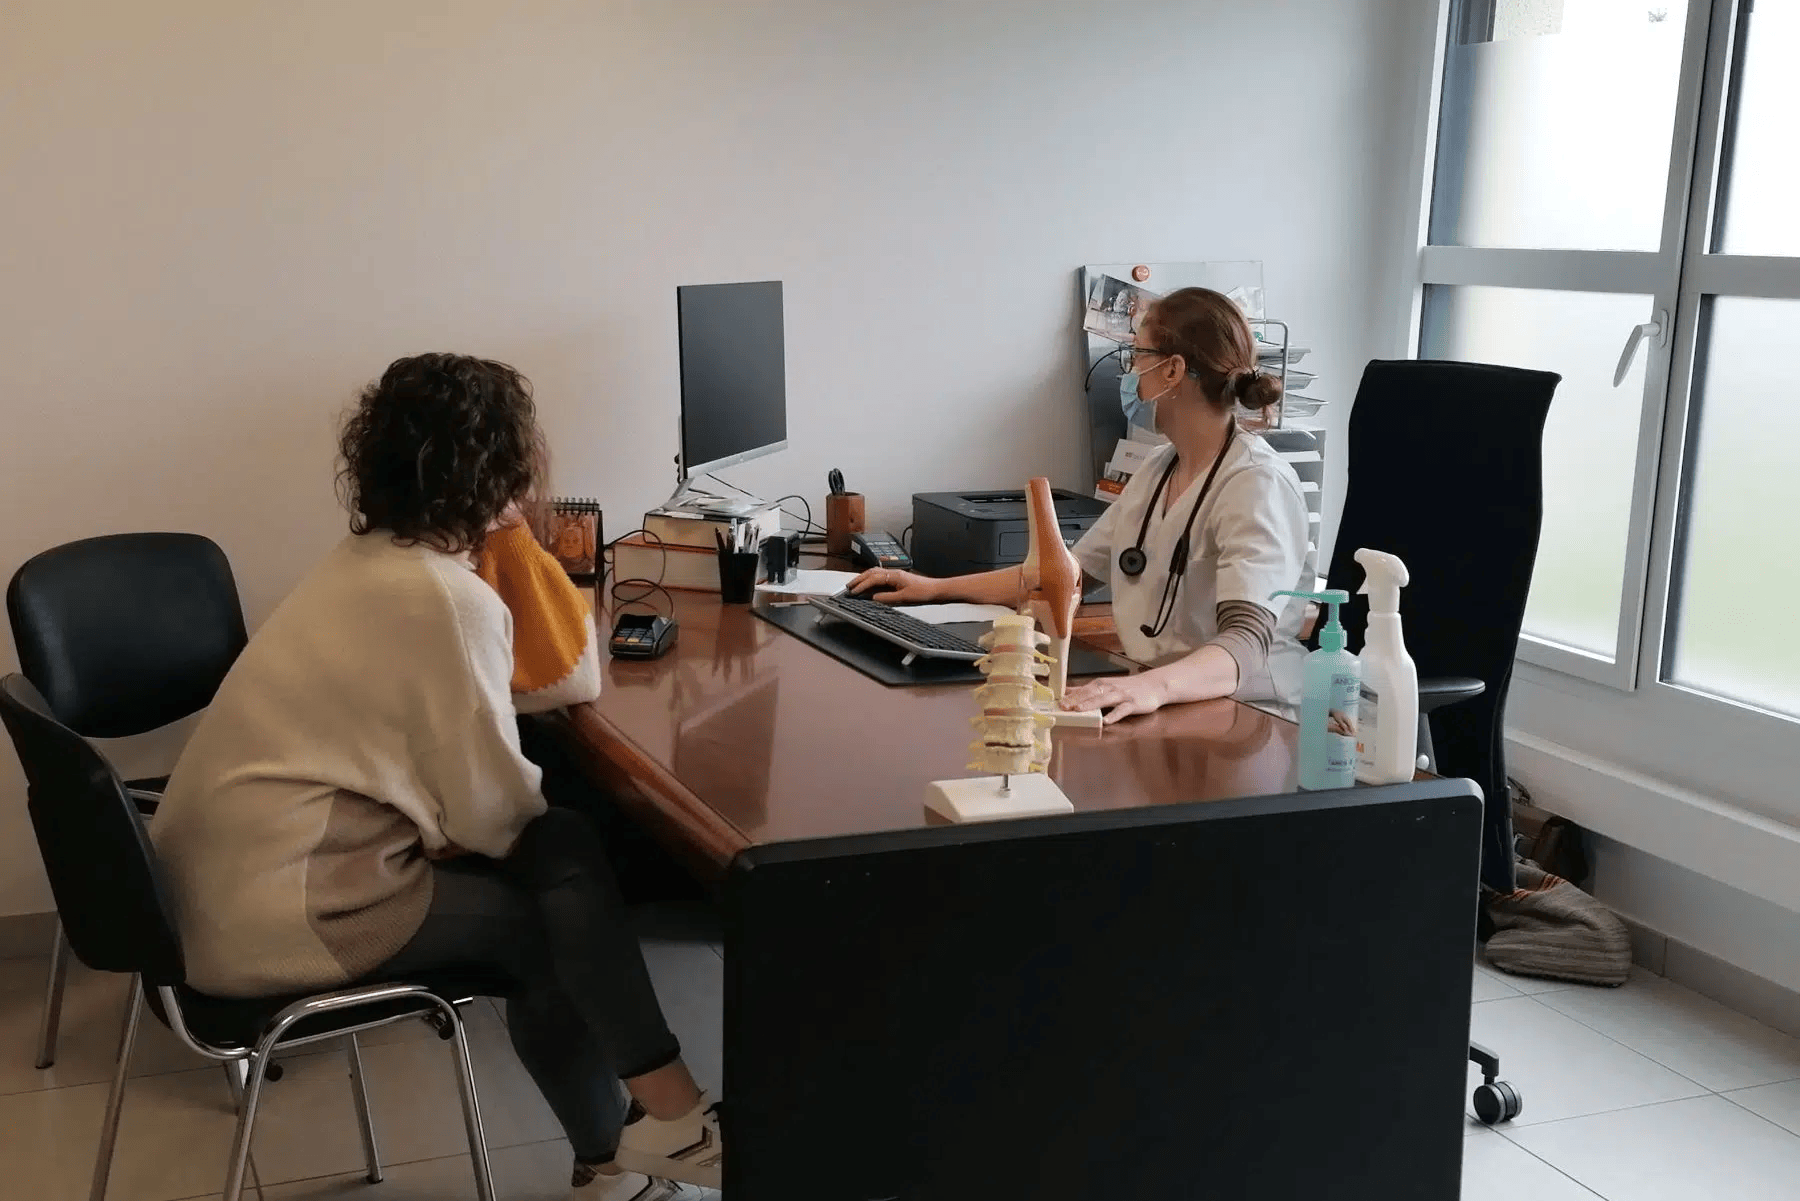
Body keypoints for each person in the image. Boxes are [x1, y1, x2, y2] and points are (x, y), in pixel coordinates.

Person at [151, 354, 719, 1199]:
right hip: (285, 911)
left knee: (559, 842)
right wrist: (518, 534)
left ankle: (643, 1136)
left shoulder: (370, 561)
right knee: (546, 904)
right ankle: (638, 1140)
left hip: (202, 894)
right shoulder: (442, 600)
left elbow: (514, 738)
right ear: (504, 471)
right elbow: (495, 817)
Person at [850, 287, 1313, 723]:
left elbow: (1248, 643)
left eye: (1137, 355)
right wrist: (932, 588)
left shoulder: (1255, 483)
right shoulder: (1161, 465)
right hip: (1162, 697)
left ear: (1172, 371)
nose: (1129, 372)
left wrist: (1150, 688)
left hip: (1245, 717)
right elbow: (1063, 577)